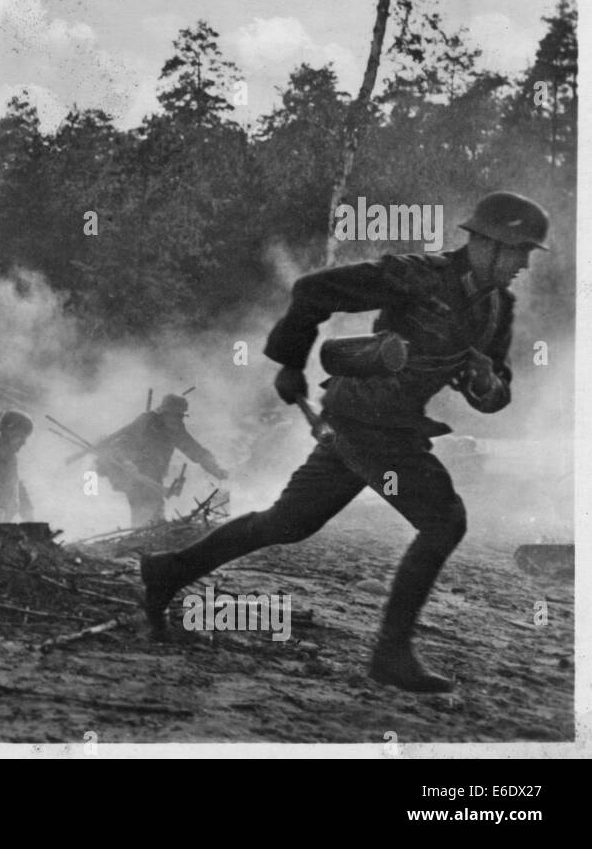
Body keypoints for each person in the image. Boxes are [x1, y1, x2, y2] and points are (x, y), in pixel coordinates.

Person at [140, 191, 550, 693]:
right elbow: (314, 289)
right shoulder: (418, 274)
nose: (523, 266)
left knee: (286, 523)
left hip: (380, 427)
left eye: (528, 254)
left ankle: (165, 572)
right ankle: (390, 655)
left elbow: (497, 391)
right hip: (367, 426)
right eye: (518, 252)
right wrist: (291, 362)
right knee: (444, 521)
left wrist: (487, 383)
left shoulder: (495, 309)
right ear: (486, 244)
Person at [96, 394, 227, 527]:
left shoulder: (176, 430)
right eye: (173, 415)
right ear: (163, 413)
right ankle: (143, 536)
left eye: (180, 416)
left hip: (153, 474)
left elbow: (195, 450)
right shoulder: (146, 422)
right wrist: (126, 462)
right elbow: (121, 442)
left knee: (155, 507)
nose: (176, 420)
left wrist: (214, 468)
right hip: (132, 472)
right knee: (144, 506)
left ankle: (152, 533)